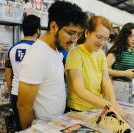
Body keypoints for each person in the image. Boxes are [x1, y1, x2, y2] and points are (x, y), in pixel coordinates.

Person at [17, 1, 87, 130]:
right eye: (71, 33)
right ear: (54, 26)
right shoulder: (37, 55)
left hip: (56, 123)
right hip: (42, 126)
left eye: (78, 34)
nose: (74, 40)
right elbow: (24, 106)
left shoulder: (55, 50)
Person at [65, 16, 126, 117]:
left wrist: (113, 102)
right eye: (99, 37)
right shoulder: (75, 53)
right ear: (87, 33)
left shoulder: (101, 54)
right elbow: (79, 90)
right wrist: (109, 105)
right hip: (78, 110)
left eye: (105, 39)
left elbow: (106, 81)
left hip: (97, 109)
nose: (101, 42)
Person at [5, 15, 41, 131]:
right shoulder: (40, 49)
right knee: (38, 128)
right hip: (35, 95)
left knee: (21, 127)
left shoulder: (12, 49)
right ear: (38, 31)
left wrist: (12, 92)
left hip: (16, 93)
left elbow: (8, 75)